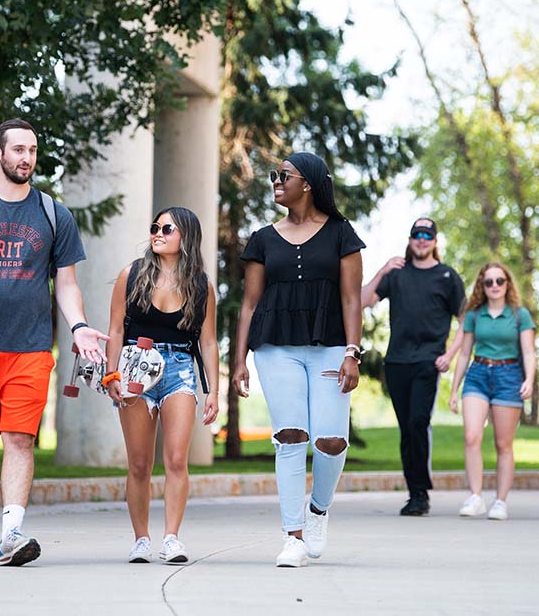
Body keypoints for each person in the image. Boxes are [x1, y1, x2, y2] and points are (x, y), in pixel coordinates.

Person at [0, 118, 108, 566]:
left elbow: (67, 284)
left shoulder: (54, 214)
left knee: (20, 438)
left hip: (33, 347)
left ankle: (12, 533)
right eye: (18, 149)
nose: (26, 158)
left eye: (32, 150)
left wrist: (78, 327)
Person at [232, 152, 364, 568]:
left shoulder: (341, 233)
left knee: (331, 439)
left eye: (282, 175)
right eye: (275, 175)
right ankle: (293, 537)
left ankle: (319, 509)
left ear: (307, 183)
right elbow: (249, 305)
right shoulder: (262, 239)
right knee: (291, 436)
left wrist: (352, 353)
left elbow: (350, 298)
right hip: (276, 348)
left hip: (329, 347)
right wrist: (238, 361)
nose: (275, 181)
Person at [105, 207, 225, 564]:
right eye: (154, 226)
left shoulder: (201, 286)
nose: (157, 233)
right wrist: (111, 374)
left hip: (180, 370)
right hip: (135, 369)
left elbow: (208, 341)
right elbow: (113, 329)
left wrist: (213, 392)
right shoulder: (132, 274)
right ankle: (141, 539)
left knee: (175, 459)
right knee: (140, 463)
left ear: (185, 236)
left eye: (166, 228)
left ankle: (171, 538)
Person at [361, 218, 465, 516]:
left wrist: (450, 355)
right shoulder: (397, 274)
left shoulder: (447, 276)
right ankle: (414, 492)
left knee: (419, 422)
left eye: (427, 236)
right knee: (407, 429)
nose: (422, 240)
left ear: (435, 242)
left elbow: (465, 321)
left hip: (427, 361)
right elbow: (364, 301)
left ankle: (420, 492)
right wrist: (382, 270)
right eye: (417, 235)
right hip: (396, 363)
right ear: (410, 240)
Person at [448, 262, 536, 520]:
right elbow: (464, 354)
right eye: (489, 282)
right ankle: (476, 497)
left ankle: (500, 501)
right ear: (482, 286)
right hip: (478, 375)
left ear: (508, 284)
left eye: (500, 281)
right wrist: (454, 390)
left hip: (509, 376)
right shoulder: (474, 315)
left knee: (503, 444)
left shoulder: (520, 315)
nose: (495, 286)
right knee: (472, 436)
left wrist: (529, 379)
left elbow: (530, 351)